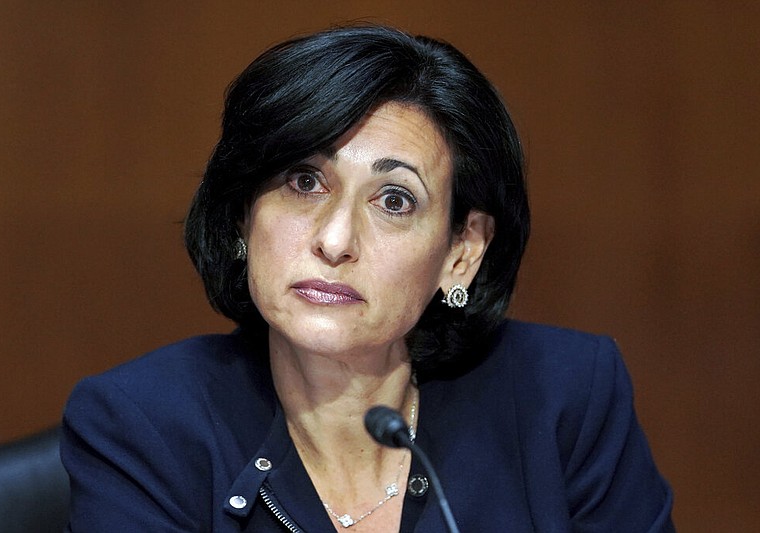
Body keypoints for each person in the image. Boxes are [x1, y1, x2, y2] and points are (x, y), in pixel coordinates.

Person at [61, 25, 674, 532]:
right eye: (305, 182)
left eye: (395, 201)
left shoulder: (565, 397)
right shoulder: (140, 426)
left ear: (461, 253)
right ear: (245, 216)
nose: (334, 241)